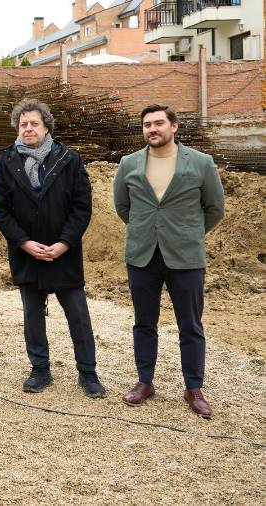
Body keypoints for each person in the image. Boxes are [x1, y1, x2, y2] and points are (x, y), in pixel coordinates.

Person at [113, 104, 225, 418]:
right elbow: (123, 206)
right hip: (142, 255)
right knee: (144, 322)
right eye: (147, 124)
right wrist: (148, 230)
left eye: (159, 123)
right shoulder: (129, 164)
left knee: (190, 325)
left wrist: (188, 233)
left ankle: (194, 388)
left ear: (174, 126)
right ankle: (144, 382)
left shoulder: (201, 163)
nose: (152, 129)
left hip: (186, 257)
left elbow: (215, 208)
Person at [0, 98, 106, 398]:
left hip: (64, 254)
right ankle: (40, 370)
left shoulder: (68, 159)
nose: (28, 129)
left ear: (47, 128)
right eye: (23, 124)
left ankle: (88, 373)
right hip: (27, 255)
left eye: (34, 124)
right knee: (33, 316)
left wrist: (64, 243)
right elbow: (1, 211)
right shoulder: (4, 163)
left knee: (78, 315)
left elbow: (82, 206)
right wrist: (24, 243)